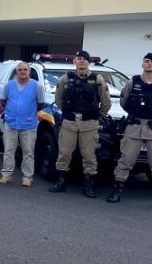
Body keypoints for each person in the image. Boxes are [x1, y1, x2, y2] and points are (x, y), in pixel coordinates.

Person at [107, 53, 152, 211]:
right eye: (146, 61)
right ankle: (117, 192)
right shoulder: (132, 82)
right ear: (142, 64)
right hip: (135, 126)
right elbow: (124, 101)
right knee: (125, 160)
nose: (149, 64)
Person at [50, 51, 112, 198]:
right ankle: (61, 182)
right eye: (79, 59)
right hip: (69, 122)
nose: (81, 61)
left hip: (89, 123)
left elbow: (106, 102)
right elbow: (58, 99)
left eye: (84, 59)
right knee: (64, 153)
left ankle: (88, 185)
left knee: (89, 155)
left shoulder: (97, 80)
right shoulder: (66, 79)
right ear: (74, 62)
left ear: (88, 62)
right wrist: (68, 112)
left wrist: (98, 117)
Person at [0, 62, 44, 187]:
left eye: (25, 69)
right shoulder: (9, 85)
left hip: (28, 124)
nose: (22, 72)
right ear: (16, 71)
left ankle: (27, 177)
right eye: (20, 70)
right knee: (8, 150)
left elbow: (40, 104)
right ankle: (6, 175)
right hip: (11, 122)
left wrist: (29, 113)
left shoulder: (37, 86)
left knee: (28, 152)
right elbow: (3, 102)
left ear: (29, 71)